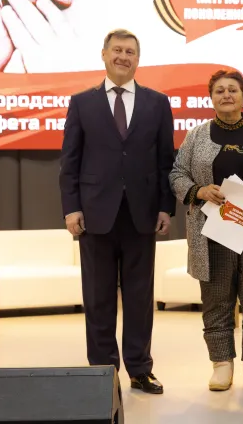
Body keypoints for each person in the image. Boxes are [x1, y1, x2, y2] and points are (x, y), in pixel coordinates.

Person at [59, 28, 175, 394]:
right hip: (95, 214)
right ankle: (102, 372)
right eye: (117, 50)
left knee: (140, 298)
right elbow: (70, 161)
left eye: (130, 52)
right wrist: (71, 208)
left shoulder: (158, 103)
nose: (123, 57)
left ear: (138, 59)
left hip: (142, 213)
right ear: (104, 54)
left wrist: (166, 207)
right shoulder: (82, 103)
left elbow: (165, 161)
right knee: (98, 297)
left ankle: (140, 369)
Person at [168, 69, 243, 392]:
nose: (226, 95)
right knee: (216, 303)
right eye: (219, 90)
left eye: (232, 89)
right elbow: (177, 174)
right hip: (212, 238)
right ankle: (221, 365)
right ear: (211, 98)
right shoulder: (196, 136)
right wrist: (198, 191)